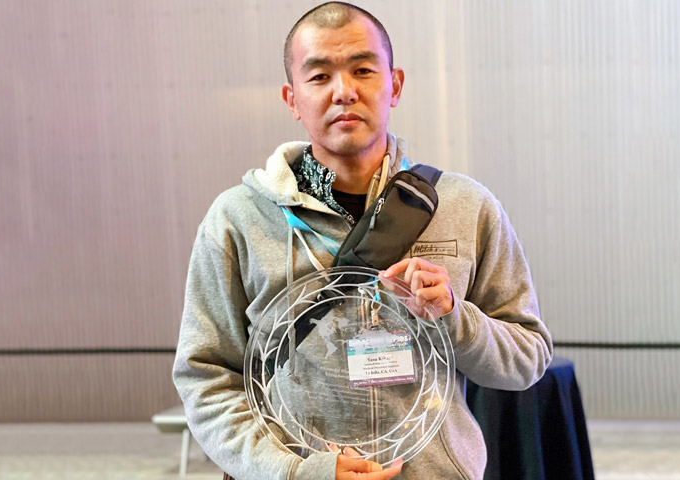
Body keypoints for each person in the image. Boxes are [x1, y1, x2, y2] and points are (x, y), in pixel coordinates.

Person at [173, 2, 553, 479]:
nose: (344, 91)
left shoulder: (464, 206)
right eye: (319, 77)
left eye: (363, 70)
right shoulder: (239, 218)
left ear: (393, 85)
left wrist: (455, 315)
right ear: (292, 98)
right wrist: (294, 471)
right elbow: (206, 380)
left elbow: (527, 359)